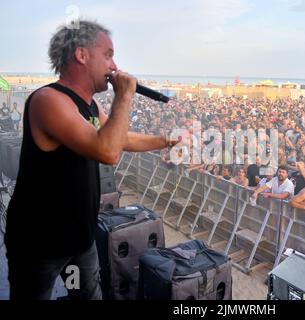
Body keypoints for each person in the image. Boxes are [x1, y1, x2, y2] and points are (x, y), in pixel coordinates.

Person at [4, 20, 179, 300]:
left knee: (84, 295)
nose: (115, 65)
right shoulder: (48, 100)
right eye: (108, 54)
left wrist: (164, 140)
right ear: (82, 55)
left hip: (78, 240)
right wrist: (124, 96)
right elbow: (108, 151)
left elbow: (119, 138)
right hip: (39, 244)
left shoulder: (91, 104)